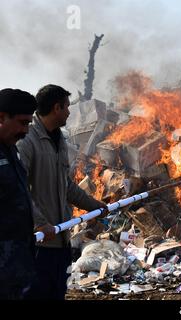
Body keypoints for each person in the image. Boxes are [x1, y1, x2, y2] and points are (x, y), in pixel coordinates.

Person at [17, 84, 108, 300]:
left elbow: (66, 186)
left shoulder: (60, 141)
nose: (69, 112)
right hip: (38, 243)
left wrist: (94, 206)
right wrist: (39, 222)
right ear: (56, 108)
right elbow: (18, 190)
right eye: (66, 107)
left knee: (57, 294)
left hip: (61, 241)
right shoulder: (27, 141)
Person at [0, 88, 37, 300]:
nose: (25, 131)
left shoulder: (11, 149)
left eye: (29, 124)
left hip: (17, 265)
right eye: (22, 123)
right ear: (2, 117)